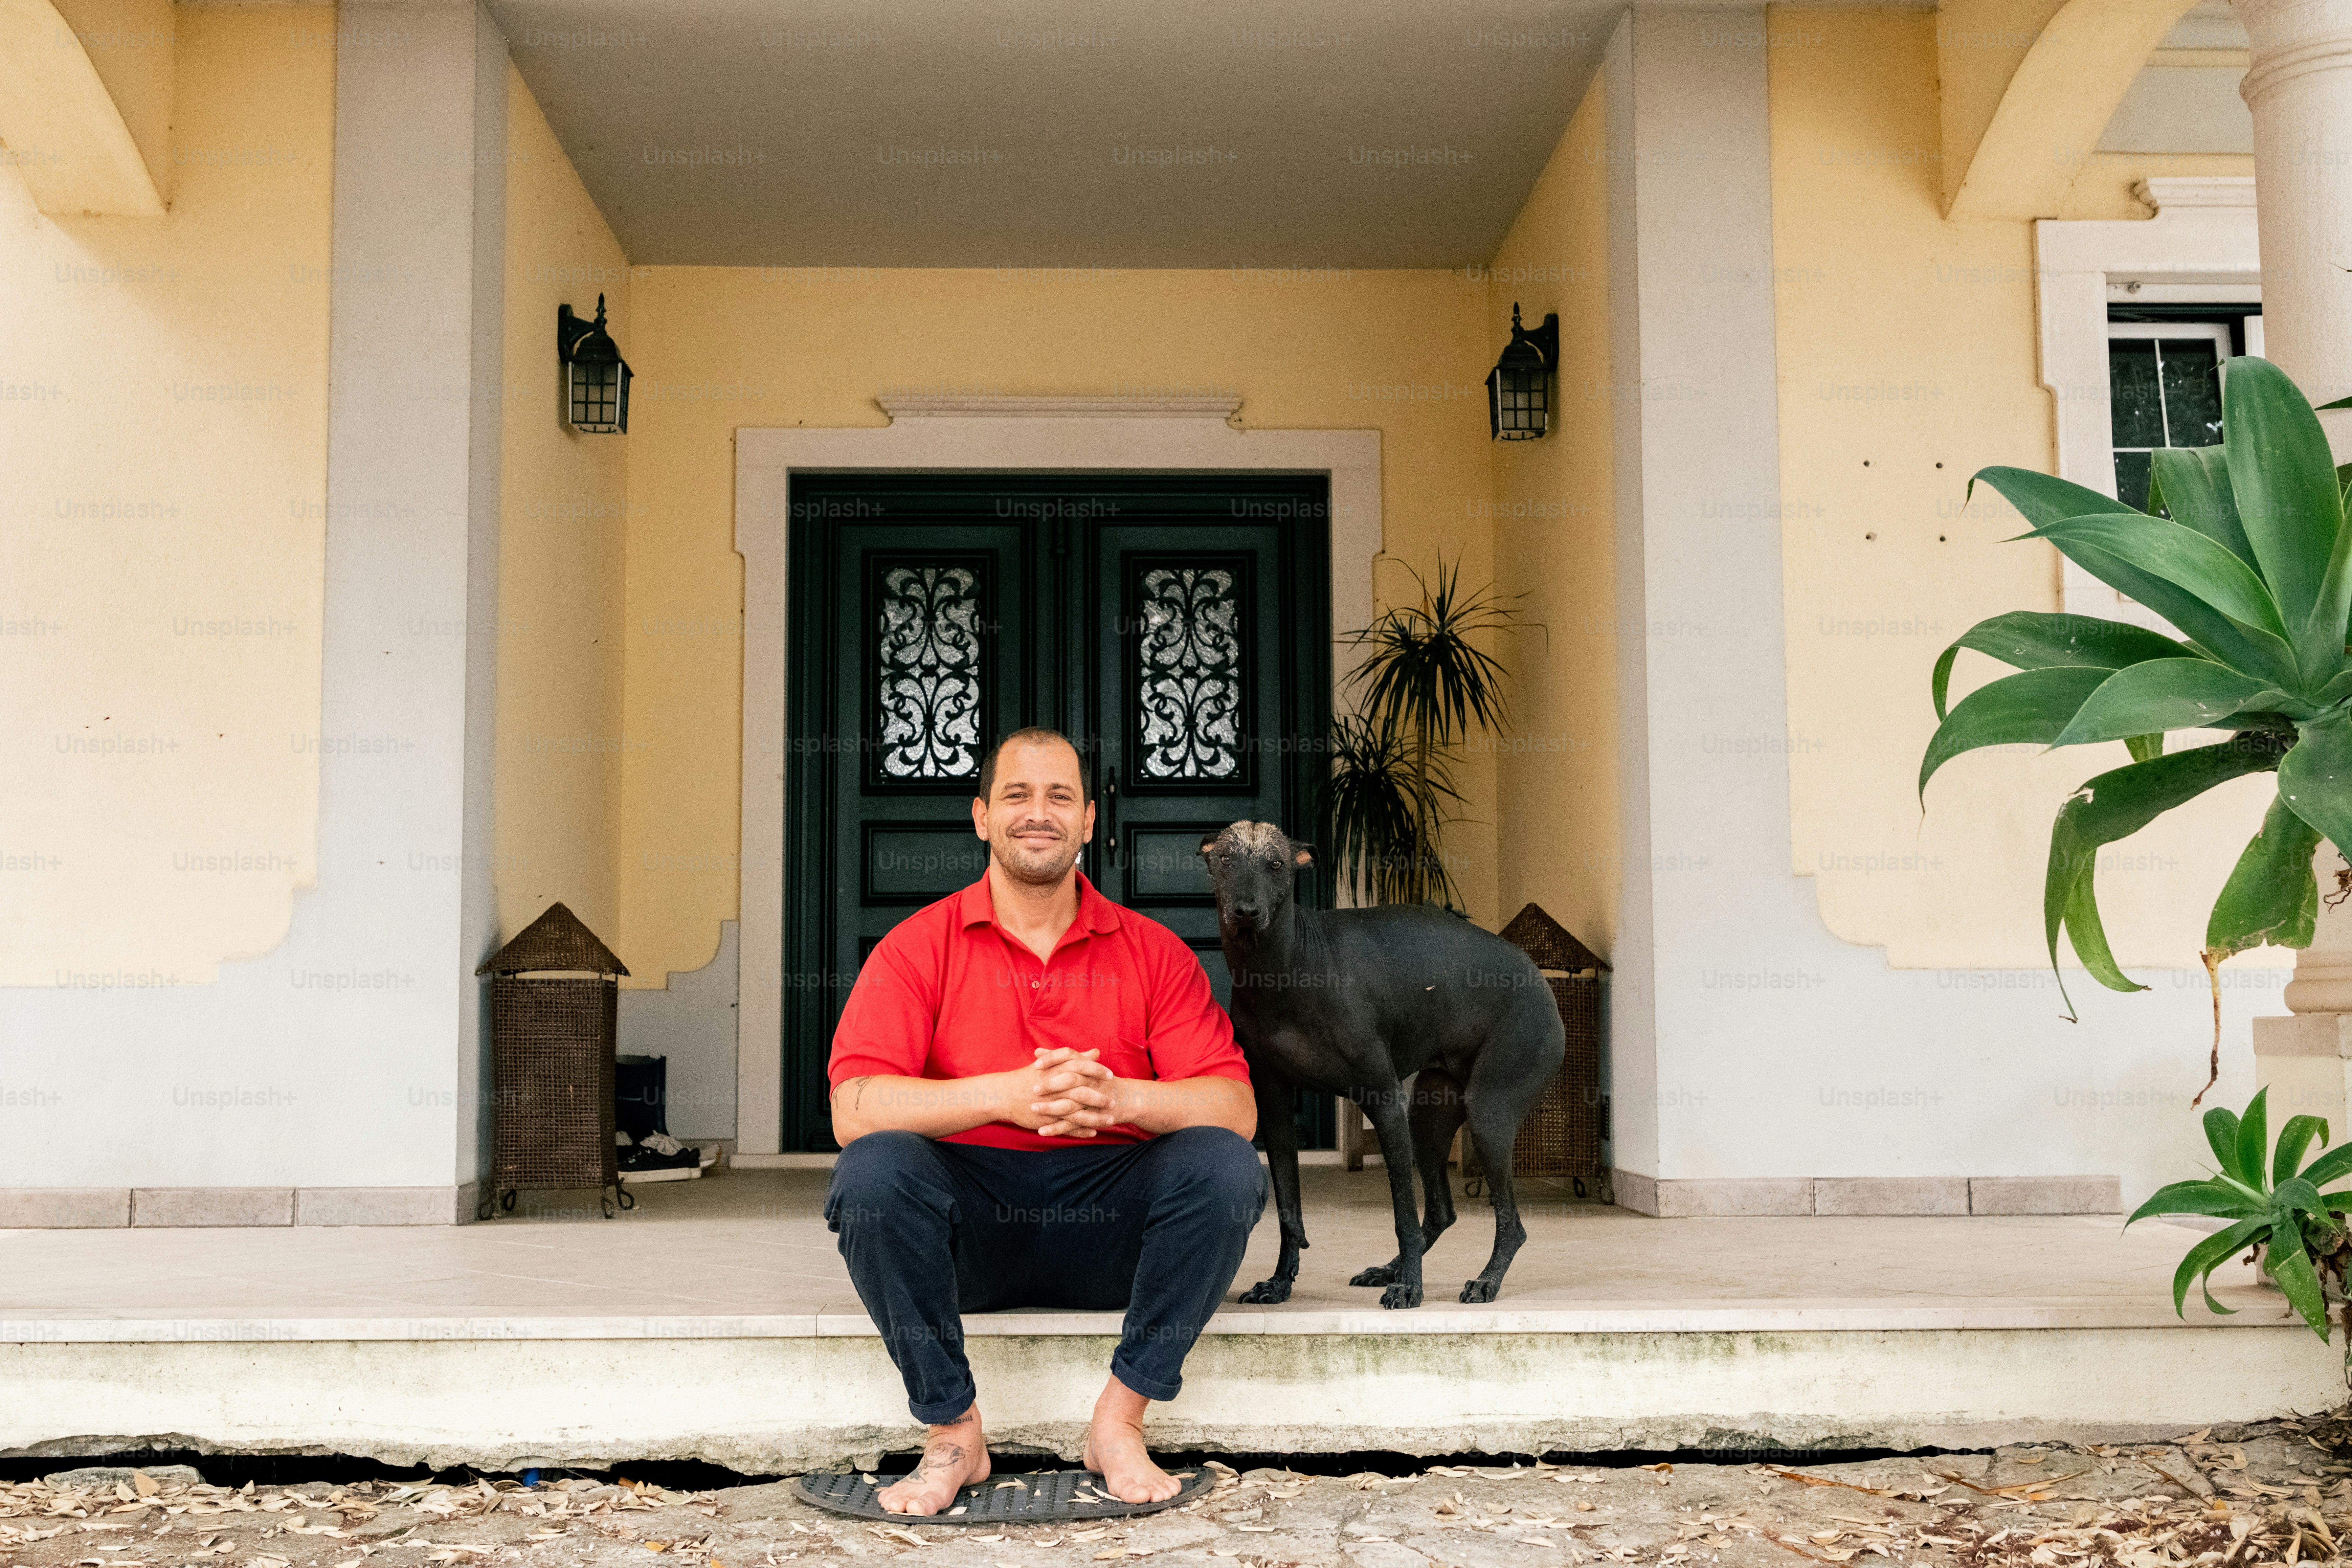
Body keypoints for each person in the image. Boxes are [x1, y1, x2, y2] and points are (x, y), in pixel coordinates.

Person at [824, 726, 1266, 1516]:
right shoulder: (915, 947)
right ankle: (953, 1432)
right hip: (971, 1233)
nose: (1039, 812)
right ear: (981, 816)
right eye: (1016, 795)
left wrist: (1120, 1099)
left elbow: (1234, 1107)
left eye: (1060, 795)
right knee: (872, 1171)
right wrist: (1002, 1095)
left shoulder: (1152, 951)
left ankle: (1118, 1421)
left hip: (1112, 1232)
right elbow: (853, 1107)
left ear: (1090, 819)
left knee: (1226, 1166)